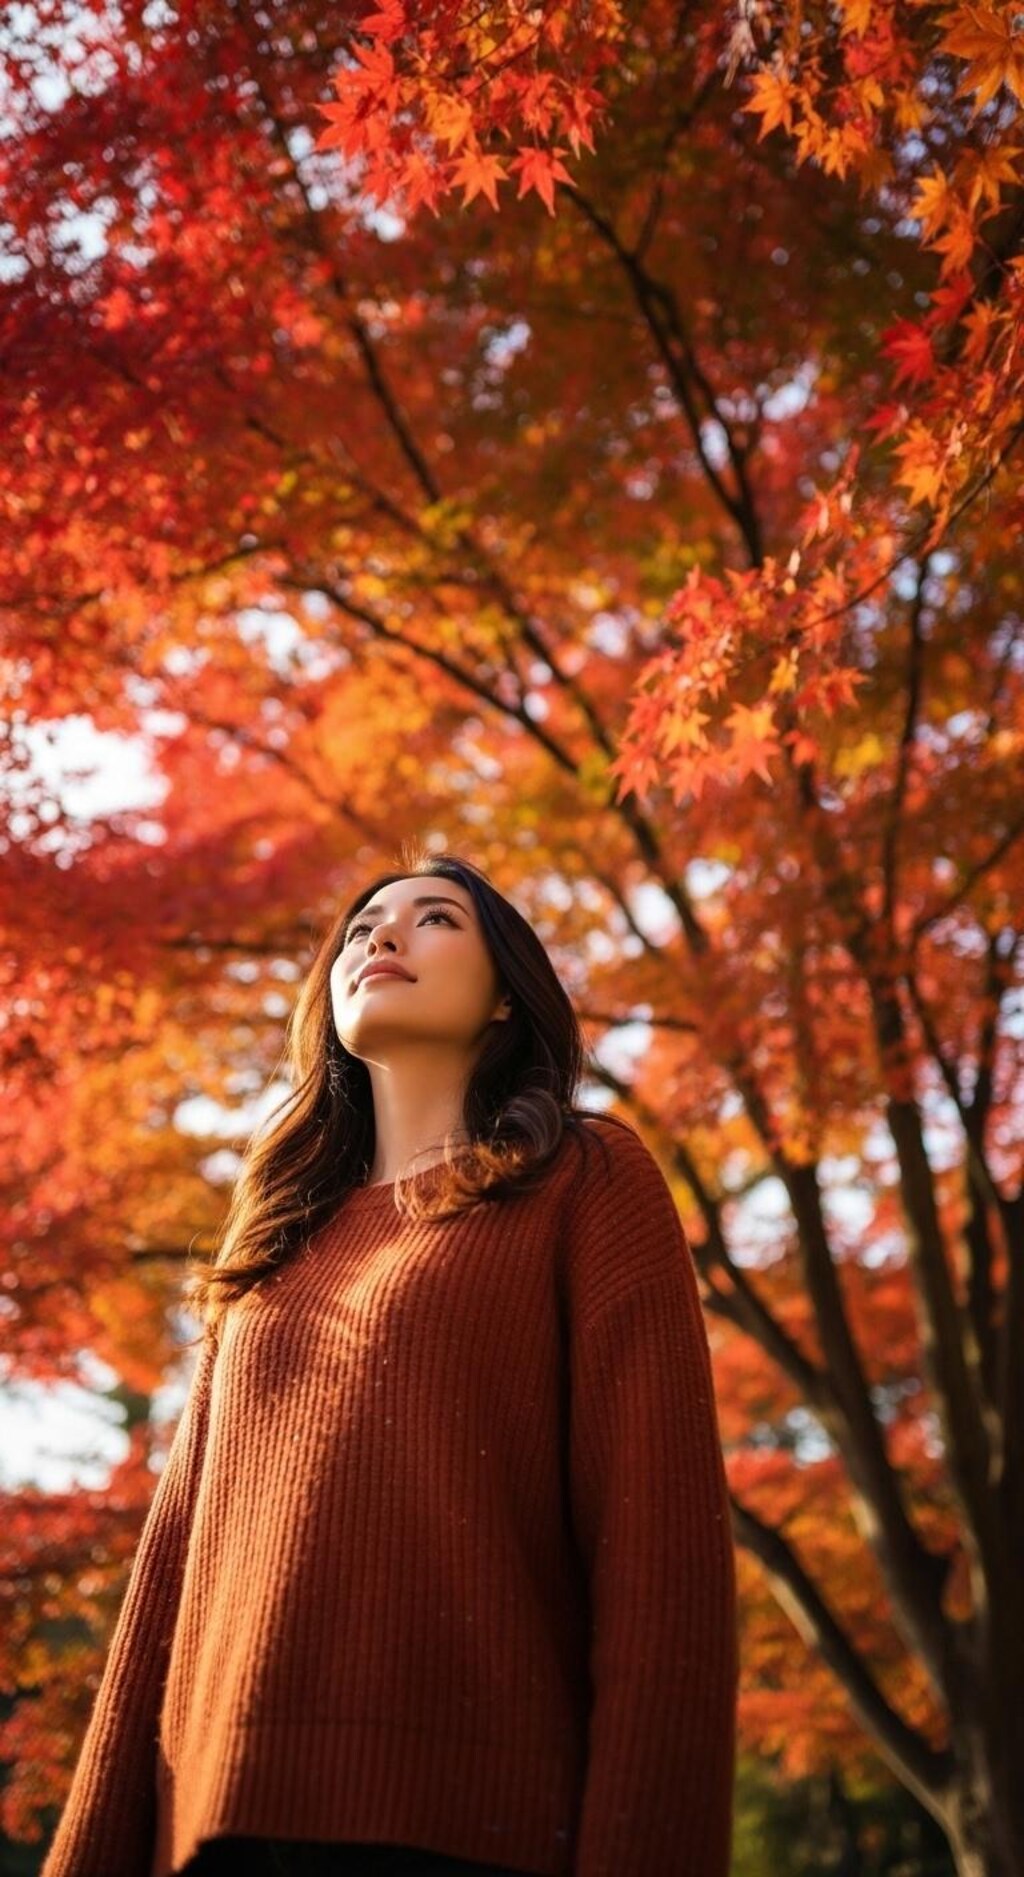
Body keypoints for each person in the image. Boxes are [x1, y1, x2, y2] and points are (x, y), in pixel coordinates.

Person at [42, 848, 738, 1877]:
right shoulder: (273, 1243)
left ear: (507, 996)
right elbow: (170, 1578)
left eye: (435, 917)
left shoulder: (583, 1179)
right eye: (365, 922)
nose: (381, 934)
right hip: (214, 1828)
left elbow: (661, 1559)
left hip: (469, 1831)